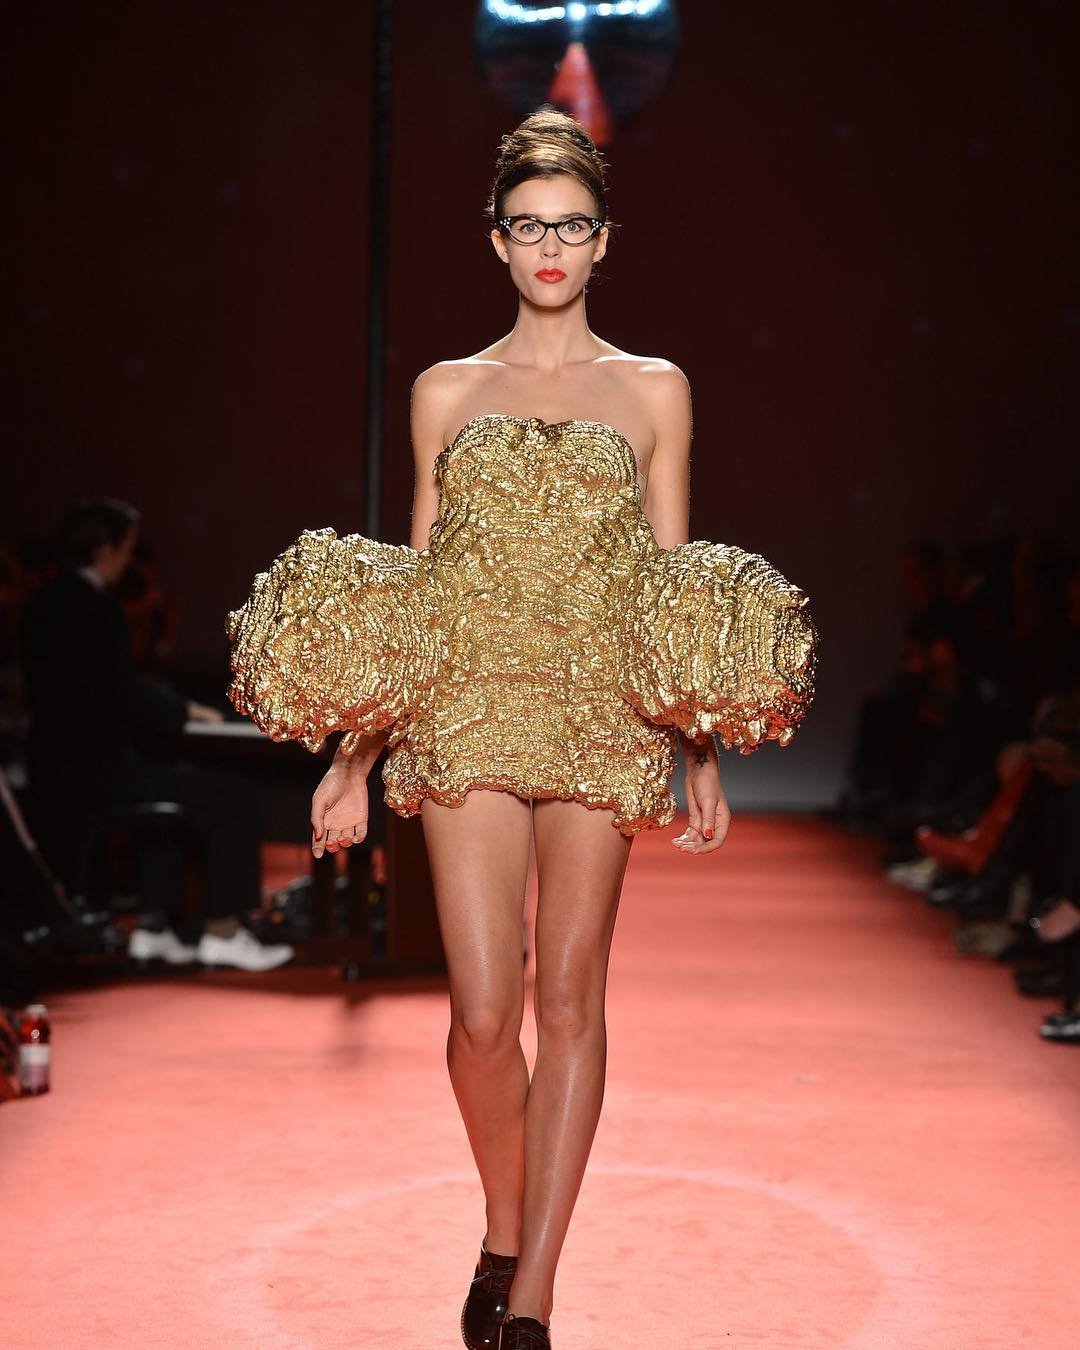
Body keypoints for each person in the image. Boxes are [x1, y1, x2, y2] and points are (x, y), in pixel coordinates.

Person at [226, 109, 819, 1347]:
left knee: (571, 1004)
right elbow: (419, 583)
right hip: (465, 707)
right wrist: (355, 754)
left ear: (605, 241)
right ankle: (506, 1225)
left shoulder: (656, 389)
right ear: (496, 240)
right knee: (484, 1016)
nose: (551, 247)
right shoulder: (447, 389)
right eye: (529, 226)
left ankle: (532, 1299)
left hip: (602, 711)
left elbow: (671, 581)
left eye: (572, 225)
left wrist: (698, 744)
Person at [19, 497, 294, 973]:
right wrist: (182, 712)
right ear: (104, 550)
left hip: (51, 768)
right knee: (232, 795)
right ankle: (224, 932)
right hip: (95, 771)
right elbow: (120, 692)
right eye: (126, 549)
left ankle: (154, 930)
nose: (129, 562)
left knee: (167, 798)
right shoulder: (94, 607)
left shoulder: (40, 603)